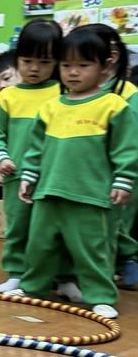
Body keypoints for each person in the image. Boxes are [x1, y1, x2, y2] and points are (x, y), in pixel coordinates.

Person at [13, 24, 138, 319]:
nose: (73, 73)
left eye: (83, 65)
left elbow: (126, 148)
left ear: (104, 67)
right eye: (66, 65)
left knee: (93, 250)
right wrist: (29, 176)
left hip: (90, 197)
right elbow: (35, 149)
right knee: (40, 247)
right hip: (48, 193)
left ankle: (101, 296)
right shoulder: (51, 107)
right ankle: (33, 287)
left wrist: (124, 179)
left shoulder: (113, 106)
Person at [0, 20, 61, 293]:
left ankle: (59, 276)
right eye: (27, 61)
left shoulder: (62, 92)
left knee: (51, 229)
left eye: (44, 62)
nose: (35, 68)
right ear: (17, 59)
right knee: (18, 226)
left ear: (57, 62)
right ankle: (17, 272)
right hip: (16, 174)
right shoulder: (7, 98)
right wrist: (1, 158)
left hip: (53, 176)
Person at [95, 24, 138, 290]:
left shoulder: (128, 94)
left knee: (118, 221)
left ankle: (126, 262)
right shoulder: (79, 91)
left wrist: (124, 174)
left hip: (121, 170)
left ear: (111, 58)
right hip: (92, 170)